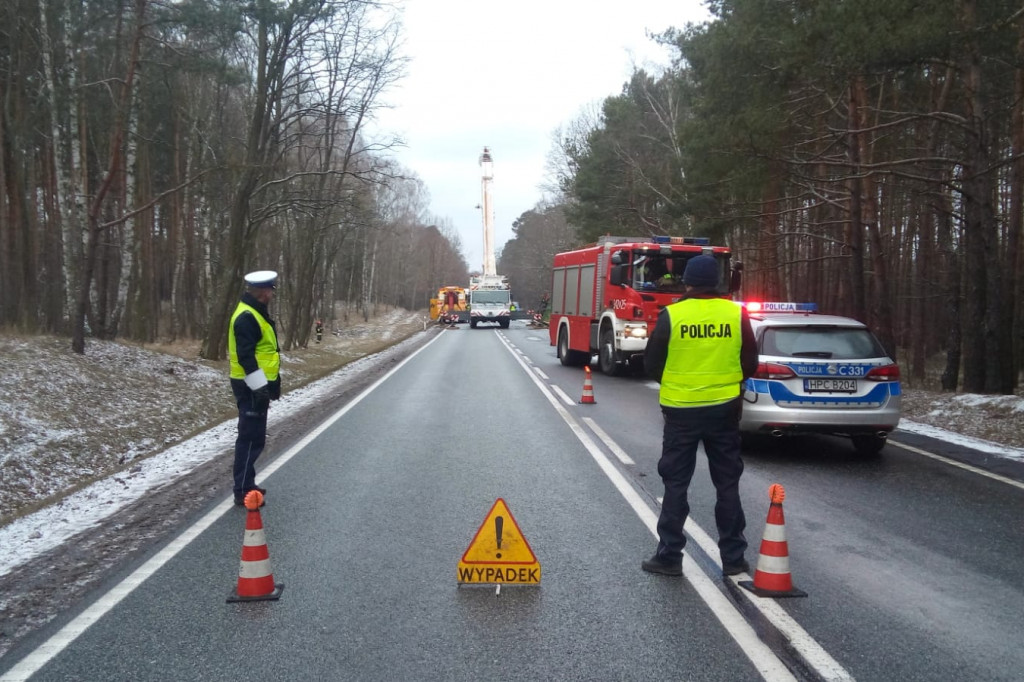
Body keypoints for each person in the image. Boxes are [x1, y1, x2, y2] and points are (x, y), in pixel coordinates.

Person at [641, 255, 758, 577]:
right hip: (724, 410)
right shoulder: (737, 314)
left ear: (688, 283)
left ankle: (669, 556)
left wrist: (679, 383)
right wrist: (726, 384)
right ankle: (734, 559)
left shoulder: (673, 315)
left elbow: (652, 362)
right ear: (717, 284)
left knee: (676, 483)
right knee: (727, 484)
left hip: (681, 412)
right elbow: (750, 361)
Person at [227, 270, 282, 506]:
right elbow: (246, 356)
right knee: (250, 438)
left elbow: (267, 353)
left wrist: (273, 385)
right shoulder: (247, 316)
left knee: (254, 436)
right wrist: (260, 388)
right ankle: (242, 490)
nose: (271, 294)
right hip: (250, 385)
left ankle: (247, 484)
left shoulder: (256, 312)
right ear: (262, 291)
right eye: (270, 290)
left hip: (256, 384)